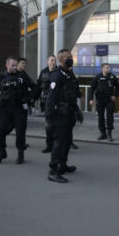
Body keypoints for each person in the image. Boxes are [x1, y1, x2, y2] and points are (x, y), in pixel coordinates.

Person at [45, 49, 84, 183]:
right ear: (61, 59)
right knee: (59, 142)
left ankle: (63, 165)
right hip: (59, 114)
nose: (71, 58)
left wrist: (77, 110)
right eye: (68, 57)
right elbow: (51, 96)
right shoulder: (57, 75)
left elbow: (72, 95)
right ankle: (53, 170)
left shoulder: (69, 73)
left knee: (67, 141)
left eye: (71, 56)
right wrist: (49, 117)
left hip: (69, 113)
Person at [0, 57, 35, 164]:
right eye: (12, 65)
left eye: (16, 65)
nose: (15, 67)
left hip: (19, 108)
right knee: (0, 132)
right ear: (7, 65)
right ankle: (2, 152)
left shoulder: (22, 76)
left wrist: (28, 99)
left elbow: (34, 87)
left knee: (20, 133)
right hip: (5, 108)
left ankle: (20, 153)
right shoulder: (1, 77)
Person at [90, 63, 119, 141]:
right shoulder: (98, 77)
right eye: (107, 68)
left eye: (109, 67)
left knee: (110, 117)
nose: (108, 69)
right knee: (100, 117)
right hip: (100, 99)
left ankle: (109, 134)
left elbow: (117, 87)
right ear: (102, 68)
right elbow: (92, 88)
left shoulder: (112, 77)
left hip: (109, 99)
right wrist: (91, 99)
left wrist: (115, 95)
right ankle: (103, 133)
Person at [36, 55, 57, 153]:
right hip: (46, 102)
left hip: (57, 102)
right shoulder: (43, 72)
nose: (53, 62)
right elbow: (38, 86)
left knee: (57, 125)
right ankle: (49, 145)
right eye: (52, 60)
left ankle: (58, 145)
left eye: (55, 60)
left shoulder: (59, 72)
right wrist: (33, 98)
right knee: (48, 125)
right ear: (47, 61)